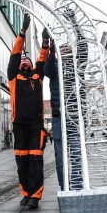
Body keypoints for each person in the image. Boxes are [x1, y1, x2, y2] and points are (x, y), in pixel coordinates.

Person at [8, 13, 50, 209]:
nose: (24, 60)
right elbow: (15, 54)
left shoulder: (37, 77)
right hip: (19, 125)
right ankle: (25, 193)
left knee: (35, 160)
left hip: (35, 125)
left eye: (27, 60)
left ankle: (36, 195)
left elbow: (43, 57)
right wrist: (22, 32)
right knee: (21, 161)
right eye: (22, 59)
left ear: (31, 66)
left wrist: (45, 41)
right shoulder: (13, 77)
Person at [43, 37, 64, 190]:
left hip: (75, 119)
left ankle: (77, 185)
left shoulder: (76, 68)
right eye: (63, 49)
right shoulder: (54, 67)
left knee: (76, 155)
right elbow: (47, 68)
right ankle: (64, 187)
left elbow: (83, 52)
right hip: (57, 118)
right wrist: (51, 53)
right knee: (60, 158)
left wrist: (75, 23)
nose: (66, 51)